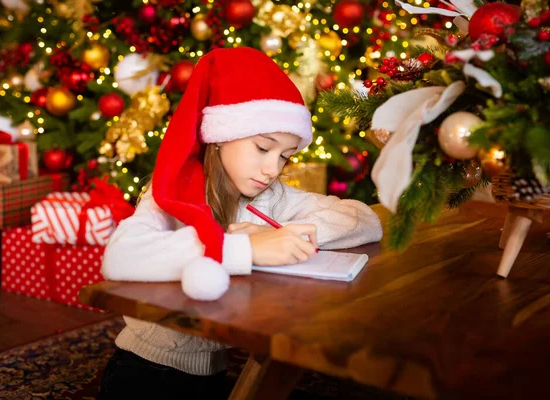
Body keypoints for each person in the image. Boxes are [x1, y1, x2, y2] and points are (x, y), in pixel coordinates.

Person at [97, 47, 383, 399]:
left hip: (214, 372)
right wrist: (244, 248)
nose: (272, 169)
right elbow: (120, 256)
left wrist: (287, 234)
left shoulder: (270, 196)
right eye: (263, 148)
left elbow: (365, 219)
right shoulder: (169, 192)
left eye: (285, 156)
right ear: (220, 136)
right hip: (144, 372)